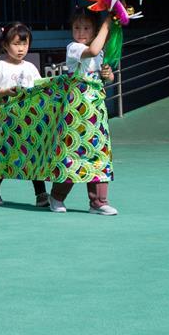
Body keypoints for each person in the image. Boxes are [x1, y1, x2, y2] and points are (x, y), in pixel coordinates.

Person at [48, 11, 117, 215]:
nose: (81, 32)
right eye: (77, 28)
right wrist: (108, 23)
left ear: (94, 30)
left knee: (99, 151)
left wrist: (109, 75)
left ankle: (98, 202)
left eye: (86, 28)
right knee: (74, 151)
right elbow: (94, 50)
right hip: (77, 110)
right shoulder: (74, 48)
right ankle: (57, 197)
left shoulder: (100, 51)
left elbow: (106, 77)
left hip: (96, 109)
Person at [0, 22, 48, 207]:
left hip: (29, 121)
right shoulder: (0, 66)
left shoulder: (30, 67)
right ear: (5, 45)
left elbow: (39, 90)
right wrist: (5, 92)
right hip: (7, 122)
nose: (21, 49)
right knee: (6, 155)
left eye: (24, 44)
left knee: (33, 155)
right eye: (16, 44)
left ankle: (41, 194)